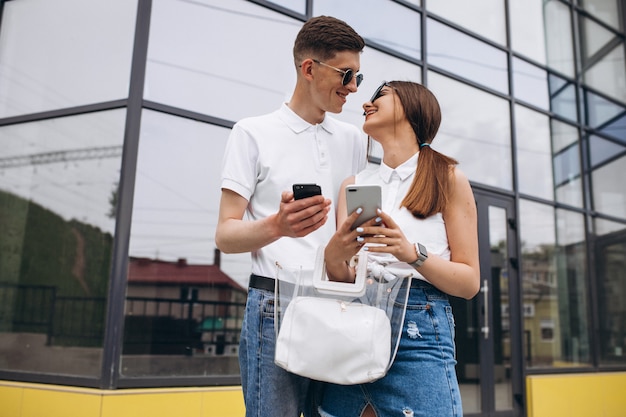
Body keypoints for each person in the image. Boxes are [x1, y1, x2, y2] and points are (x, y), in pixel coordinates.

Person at [214, 16, 367, 417]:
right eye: (346, 74)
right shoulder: (252, 133)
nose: (352, 87)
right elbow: (225, 235)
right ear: (309, 68)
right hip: (275, 304)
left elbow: (354, 229)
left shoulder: (353, 140)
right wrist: (277, 226)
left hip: (339, 303)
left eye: (358, 77)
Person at [319, 81, 481, 417]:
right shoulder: (354, 185)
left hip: (419, 328)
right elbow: (345, 277)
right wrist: (334, 258)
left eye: (381, 95)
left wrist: (412, 254)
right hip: (354, 323)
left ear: (410, 107)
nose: (367, 102)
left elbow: (468, 283)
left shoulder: (447, 178)